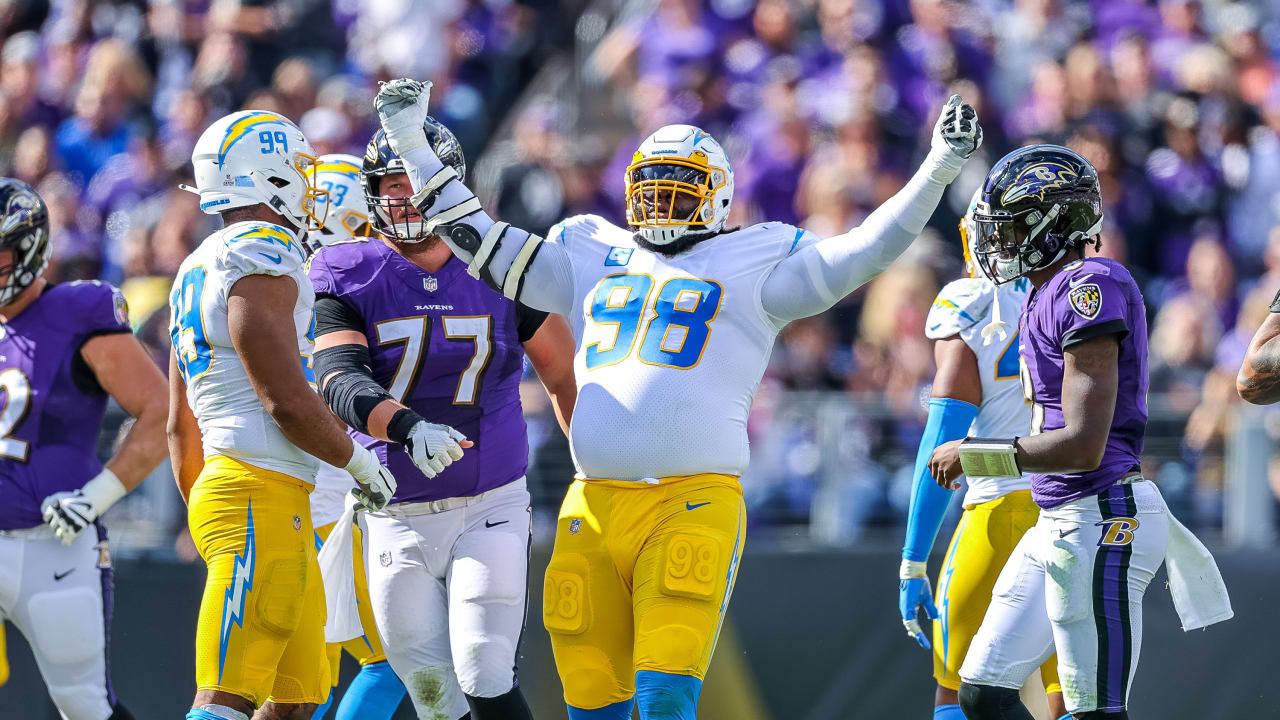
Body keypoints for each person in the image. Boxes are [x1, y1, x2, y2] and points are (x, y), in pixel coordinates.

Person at [372, 77, 982, 719]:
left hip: (691, 500)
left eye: (680, 189)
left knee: (665, 699)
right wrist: (411, 141)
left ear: (717, 197)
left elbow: (863, 252)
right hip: (596, 500)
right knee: (590, 702)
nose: (663, 202)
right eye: (653, 187)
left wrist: (938, 168)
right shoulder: (588, 246)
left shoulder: (754, 260)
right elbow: (480, 243)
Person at [928, 145, 1232, 719]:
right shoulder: (1047, 290)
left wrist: (978, 456)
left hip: (1104, 517)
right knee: (983, 694)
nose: (1001, 240)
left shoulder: (1086, 287)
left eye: (1013, 225)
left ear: (1053, 224)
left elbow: (1084, 443)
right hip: (1064, 516)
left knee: (1094, 711)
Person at [307, 118, 577, 720]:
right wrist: (408, 427)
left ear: (449, 183)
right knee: (432, 696)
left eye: (414, 182)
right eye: (389, 184)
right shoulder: (347, 271)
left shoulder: (500, 262)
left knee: (483, 668)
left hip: (491, 501)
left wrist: (591, 466)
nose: (401, 197)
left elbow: (563, 375)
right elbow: (337, 378)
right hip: (394, 513)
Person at [167, 110, 397, 720]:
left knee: (298, 697)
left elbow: (177, 423)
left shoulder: (197, 263)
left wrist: (203, 503)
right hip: (256, 490)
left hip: (255, 490)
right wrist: (359, 463)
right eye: (296, 167)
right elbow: (285, 400)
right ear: (268, 174)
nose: (304, 181)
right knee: (225, 698)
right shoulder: (261, 251)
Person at [0, 177, 168, 720]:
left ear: (30, 248)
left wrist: (94, 497)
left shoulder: (76, 312)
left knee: (84, 705)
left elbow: (159, 411)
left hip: (53, 543)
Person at [899, 189, 1066, 720]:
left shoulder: (972, 304)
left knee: (957, 695)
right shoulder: (1091, 293)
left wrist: (912, 560)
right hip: (1073, 509)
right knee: (1076, 698)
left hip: (997, 514)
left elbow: (938, 442)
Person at [303, 152, 408, 720]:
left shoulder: (269, 283)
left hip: (280, 496)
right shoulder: (350, 287)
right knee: (386, 660)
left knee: (303, 667)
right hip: (333, 499)